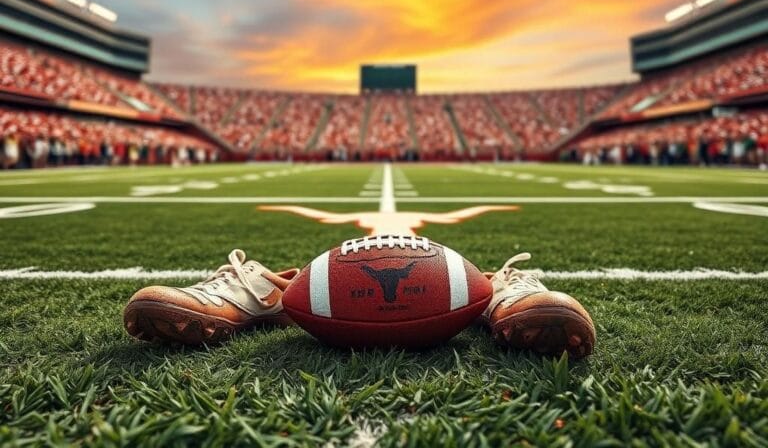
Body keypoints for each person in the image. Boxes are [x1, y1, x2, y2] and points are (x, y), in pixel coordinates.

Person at [124, 242, 596, 359]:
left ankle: (493, 293)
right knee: (305, 291)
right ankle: (263, 291)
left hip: (466, 291)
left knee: (472, 285)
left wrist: (469, 289)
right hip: (300, 297)